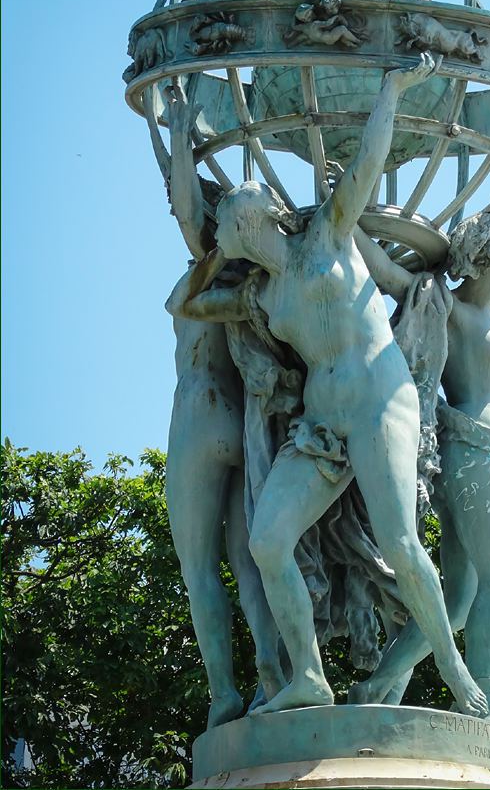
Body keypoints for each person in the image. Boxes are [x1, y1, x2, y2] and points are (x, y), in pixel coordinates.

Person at [165, 54, 489, 718]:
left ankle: (455, 674)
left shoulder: (328, 237)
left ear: (253, 221)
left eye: (227, 222)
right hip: (321, 424)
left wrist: (393, 90)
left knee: (401, 543)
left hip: (378, 403)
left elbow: (368, 164)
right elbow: (185, 306)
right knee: (266, 540)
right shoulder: (261, 293)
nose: (220, 230)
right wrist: (213, 260)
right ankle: (308, 674)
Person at [348, 212, 490, 723]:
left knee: (455, 602)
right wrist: (344, 211)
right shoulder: (449, 307)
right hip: (471, 449)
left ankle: (379, 683)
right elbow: (388, 275)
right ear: (484, 257)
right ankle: (482, 705)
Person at [164, 88, 286, 728]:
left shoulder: (207, 273)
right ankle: (272, 677)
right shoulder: (259, 287)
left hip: (197, 417)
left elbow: (182, 206)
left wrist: (181, 140)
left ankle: (222, 694)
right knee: (249, 561)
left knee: (199, 569)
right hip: (245, 427)